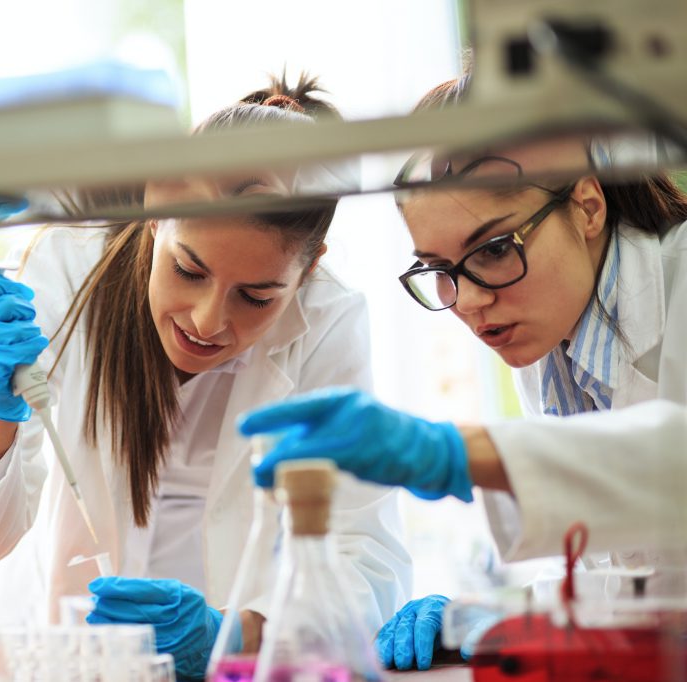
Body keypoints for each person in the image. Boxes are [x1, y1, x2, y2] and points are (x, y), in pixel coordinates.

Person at [0, 74, 411, 680]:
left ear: (309, 268)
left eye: (256, 298)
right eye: (189, 270)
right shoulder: (67, 268)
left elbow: (368, 561)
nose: (209, 321)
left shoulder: (328, 324)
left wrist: (232, 634)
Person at [238, 72, 687, 671]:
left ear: (587, 205)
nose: (469, 301)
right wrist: (490, 617)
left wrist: (457, 451)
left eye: (495, 250)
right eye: (441, 268)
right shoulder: (557, 348)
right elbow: (628, 577)